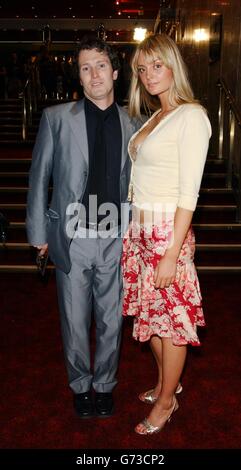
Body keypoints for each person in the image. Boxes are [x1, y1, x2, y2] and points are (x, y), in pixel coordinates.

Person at [26, 36, 142, 419]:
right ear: (79, 74)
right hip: (73, 236)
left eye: (100, 65)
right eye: (85, 67)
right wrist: (39, 234)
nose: (94, 74)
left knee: (111, 319)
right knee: (74, 319)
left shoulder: (135, 123)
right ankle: (80, 384)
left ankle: (105, 384)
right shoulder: (56, 118)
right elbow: (39, 177)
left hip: (116, 235)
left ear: (115, 70)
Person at [121, 33, 211, 435]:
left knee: (171, 323)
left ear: (174, 65)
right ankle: (164, 384)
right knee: (152, 318)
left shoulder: (191, 115)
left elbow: (189, 192)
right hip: (140, 233)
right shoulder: (158, 116)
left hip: (165, 236)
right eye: (142, 68)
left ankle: (166, 401)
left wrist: (172, 252)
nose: (148, 74)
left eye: (157, 65)